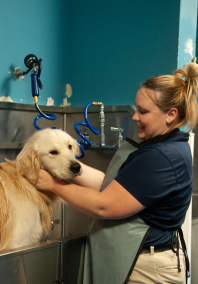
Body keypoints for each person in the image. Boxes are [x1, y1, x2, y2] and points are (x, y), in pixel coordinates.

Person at [35, 62, 198, 284]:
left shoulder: (161, 157)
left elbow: (105, 204)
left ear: (170, 114)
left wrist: (53, 185)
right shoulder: (162, 146)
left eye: (143, 111)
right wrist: (70, 166)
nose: (135, 116)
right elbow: (113, 186)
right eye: (136, 108)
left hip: (147, 269)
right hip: (140, 259)